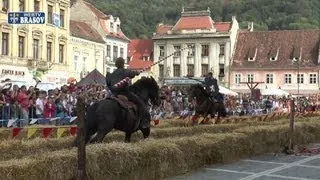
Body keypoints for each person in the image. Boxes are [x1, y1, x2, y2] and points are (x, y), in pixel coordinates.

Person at [105, 57, 145, 129]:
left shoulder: (112, 73)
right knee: (140, 103)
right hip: (124, 93)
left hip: (113, 94)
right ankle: (141, 122)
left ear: (116, 64)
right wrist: (137, 72)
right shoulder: (125, 71)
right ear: (123, 64)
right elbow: (134, 73)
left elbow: (108, 84)